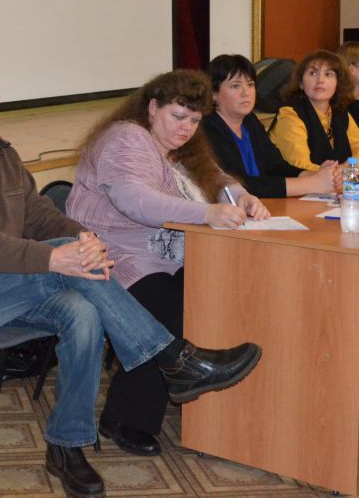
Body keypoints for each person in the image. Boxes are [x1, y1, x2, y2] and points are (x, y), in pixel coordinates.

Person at [0, 64, 262, 498]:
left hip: (11, 286)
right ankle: (174, 358)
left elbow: (38, 215)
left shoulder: (3, 155)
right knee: (68, 263)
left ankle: (66, 446)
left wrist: (83, 238)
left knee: (82, 311)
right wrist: (55, 256)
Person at [65, 69, 269, 459]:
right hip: (111, 256)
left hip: (160, 254)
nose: (186, 128)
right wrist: (206, 213)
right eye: (178, 116)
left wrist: (239, 195)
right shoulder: (126, 138)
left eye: (194, 120)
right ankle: (126, 418)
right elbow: (135, 200)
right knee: (170, 306)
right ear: (152, 108)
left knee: (219, 288)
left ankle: (196, 382)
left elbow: (214, 176)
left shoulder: (178, 146)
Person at [202, 55, 339, 198]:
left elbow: (275, 166)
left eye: (250, 85)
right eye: (236, 86)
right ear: (213, 94)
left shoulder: (250, 121)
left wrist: (313, 174)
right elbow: (237, 183)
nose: (246, 93)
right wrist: (312, 184)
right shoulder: (207, 128)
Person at [269, 49, 359, 170]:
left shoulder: (341, 113)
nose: (320, 80)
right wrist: (339, 172)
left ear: (338, 83)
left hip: (335, 181)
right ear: (301, 83)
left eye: (328, 74)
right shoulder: (289, 115)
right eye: (313, 73)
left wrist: (345, 167)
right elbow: (299, 166)